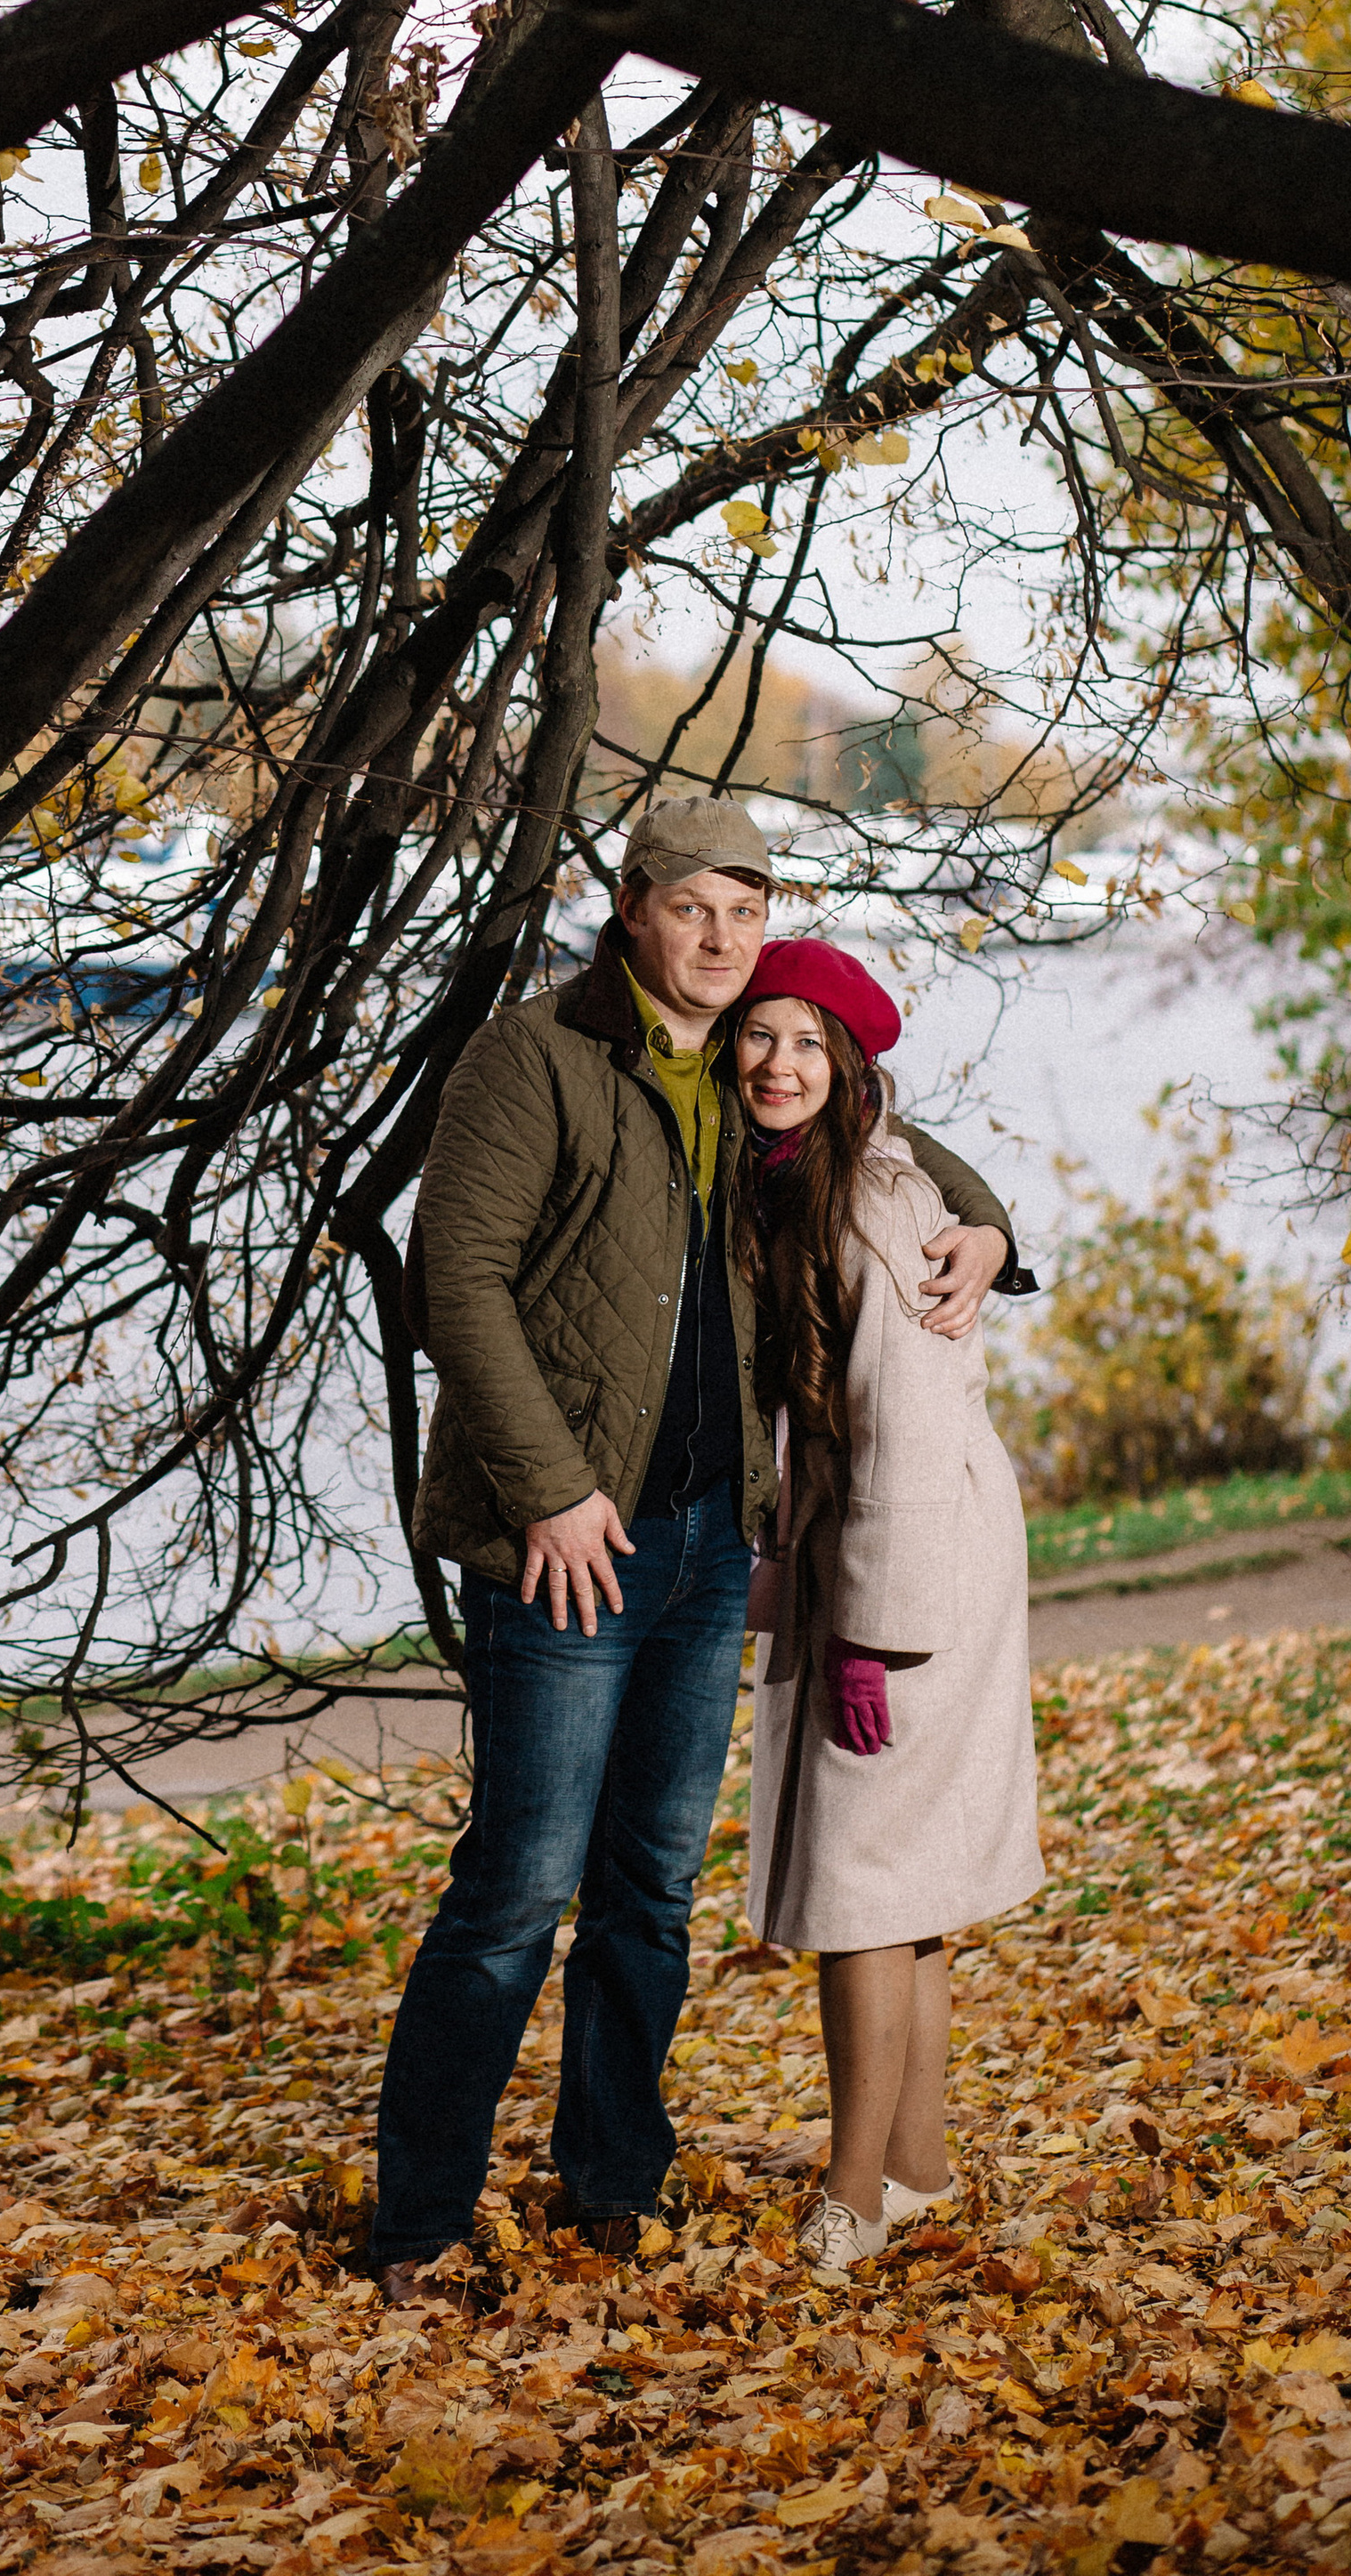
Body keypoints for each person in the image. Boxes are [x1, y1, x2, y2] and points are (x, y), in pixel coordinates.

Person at [370, 801, 1030, 2299]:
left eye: (747, 910)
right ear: (632, 905)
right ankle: (420, 2220)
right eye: (693, 909)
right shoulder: (532, 1058)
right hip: (565, 1549)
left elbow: (887, 1139)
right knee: (516, 1892)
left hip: (706, 1545)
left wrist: (986, 1227)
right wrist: (544, 1489)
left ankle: (611, 2180)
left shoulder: (751, 1079)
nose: (721, 940)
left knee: (651, 1890)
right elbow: (451, 1278)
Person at [732, 940, 1043, 2275]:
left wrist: (871, 1631)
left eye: (808, 1045)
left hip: (909, 1566)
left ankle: (850, 2196)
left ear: (851, 1067)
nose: (779, 1066)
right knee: (901, 1883)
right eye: (759, 1040)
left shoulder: (867, 1203)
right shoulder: (810, 1183)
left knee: (859, 1882)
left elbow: (906, 1426)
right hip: (891, 1549)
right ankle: (917, 2164)